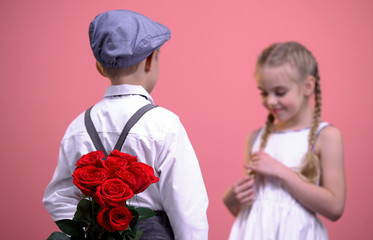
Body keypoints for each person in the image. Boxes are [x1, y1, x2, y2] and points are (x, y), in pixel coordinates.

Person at [43, 10, 209, 239]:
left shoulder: (78, 127)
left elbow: (58, 196)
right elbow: (188, 207)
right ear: (151, 60)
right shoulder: (165, 125)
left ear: (99, 67)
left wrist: (92, 227)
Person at [223, 41, 346, 239]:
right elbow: (258, 213)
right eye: (264, 92)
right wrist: (231, 201)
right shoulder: (256, 138)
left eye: (280, 92)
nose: (270, 101)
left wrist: (280, 171)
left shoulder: (325, 136)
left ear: (307, 86)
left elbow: (335, 207)